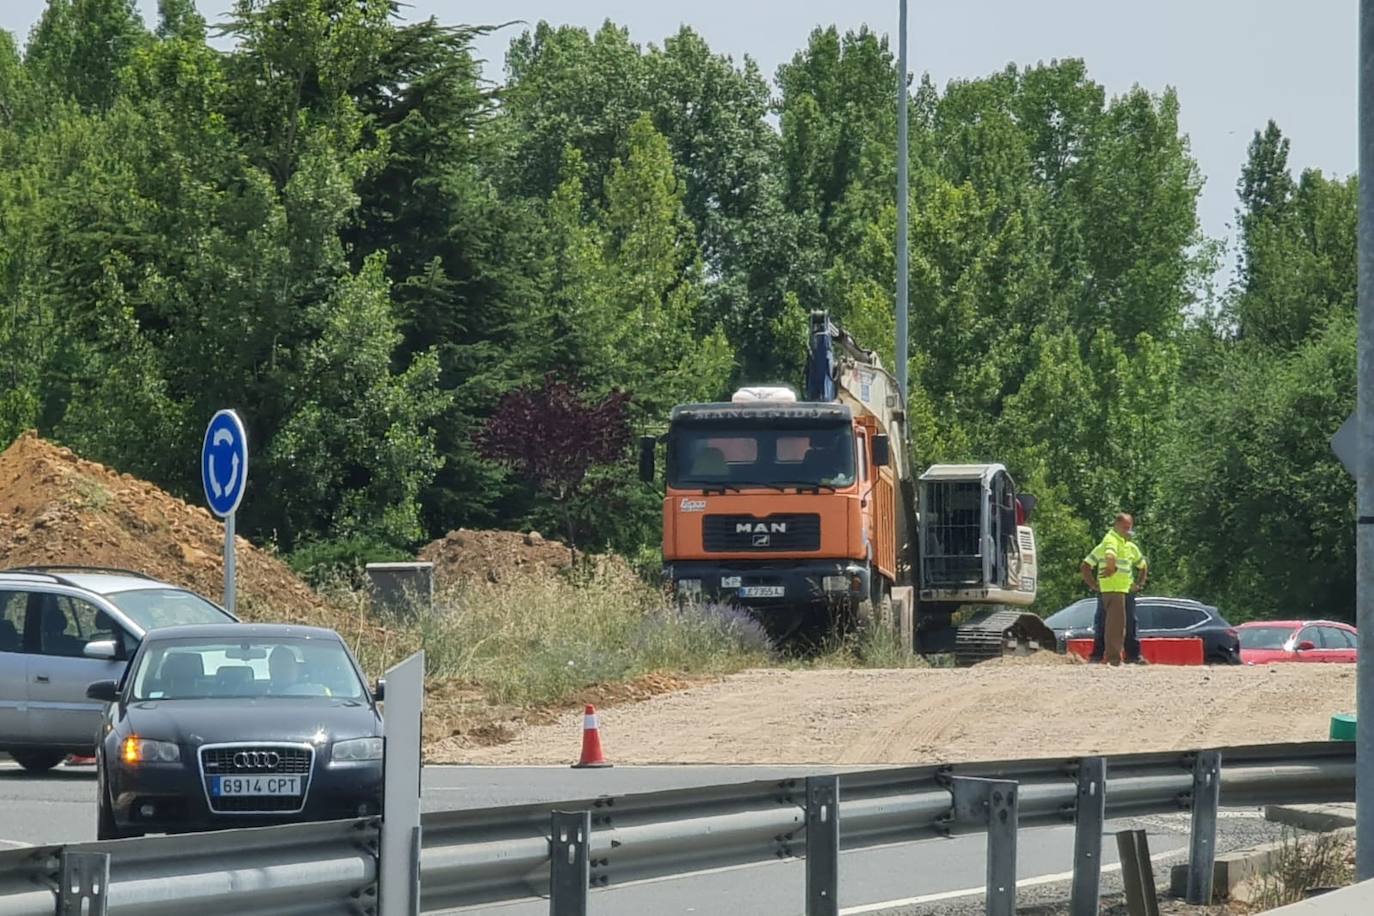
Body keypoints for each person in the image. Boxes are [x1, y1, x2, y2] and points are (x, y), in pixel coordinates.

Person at [1080, 513, 1147, 666]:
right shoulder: (1109, 543)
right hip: (1109, 589)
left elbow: (1143, 566)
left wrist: (1139, 584)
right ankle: (1099, 655)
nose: (1128, 531)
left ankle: (1132, 655)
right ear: (1116, 525)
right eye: (1125, 527)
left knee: (1129, 623)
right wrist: (1094, 584)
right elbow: (1086, 565)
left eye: (1130, 528)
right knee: (1104, 623)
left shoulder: (1130, 547)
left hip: (1126, 590)